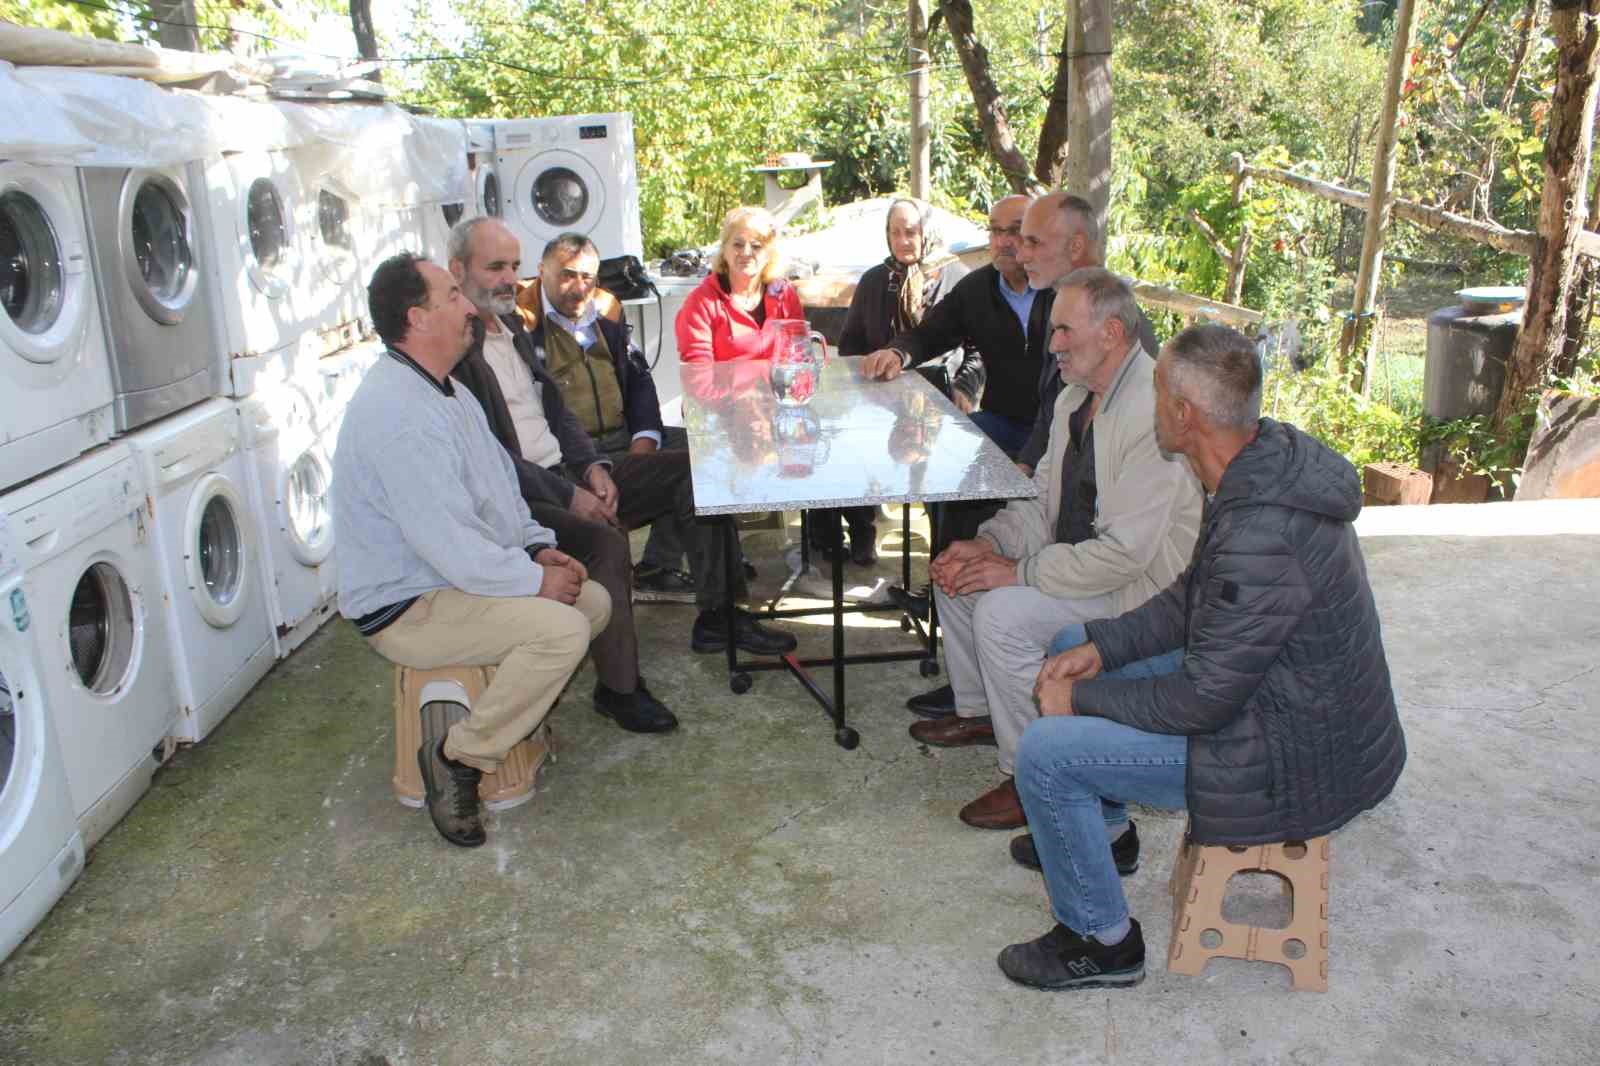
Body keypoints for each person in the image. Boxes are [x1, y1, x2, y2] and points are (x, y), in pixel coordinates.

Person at [996, 323, 1407, 992]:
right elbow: (1194, 597)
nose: (1151, 402)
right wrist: (1103, 648)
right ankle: (1103, 836)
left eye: (1157, 390)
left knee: (1047, 751)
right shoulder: (1257, 461)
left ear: (1183, 415)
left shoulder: (1261, 529)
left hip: (1290, 757)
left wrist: (1083, 699)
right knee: (1074, 645)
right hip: (1283, 707)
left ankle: (1101, 941)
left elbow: (1203, 701)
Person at [447, 221, 796, 706]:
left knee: (701, 471)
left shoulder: (511, 327)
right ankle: (619, 688)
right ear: (457, 271)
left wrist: (593, 469)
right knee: (606, 542)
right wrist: (572, 493)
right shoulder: (460, 346)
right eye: (495, 267)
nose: (509, 278)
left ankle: (719, 615)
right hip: (525, 494)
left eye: (512, 266)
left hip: (577, 465)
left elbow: (559, 410)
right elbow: (490, 456)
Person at [906, 268, 1201, 831]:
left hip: (1141, 593)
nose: (1053, 343)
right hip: (1083, 567)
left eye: (1065, 330)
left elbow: (1124, 557)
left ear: (1113, 333)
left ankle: (1030, 773)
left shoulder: (1153, 411)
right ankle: (985, 713)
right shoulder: (1075, 399)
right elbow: (1039, 503)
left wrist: (1016, 572)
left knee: (1002, 612)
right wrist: (986, 543)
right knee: (959, 572)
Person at [333, 253, 612, 848]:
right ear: (417, 318)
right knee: (561, 629)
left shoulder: (447, 391)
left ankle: (511, 727)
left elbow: (499, 493)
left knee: (591, 603)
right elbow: (452, 544)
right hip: (407, 604)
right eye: (453, 296)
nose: (469, 307)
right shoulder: (397, 414)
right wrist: (533, 583)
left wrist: (538, 551)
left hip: (447, 580)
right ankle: (457, 758)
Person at [819, 198, 973, 566]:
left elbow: (974, 348)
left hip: (940, 398)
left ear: (927, 233)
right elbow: (853, 342)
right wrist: (862, 388)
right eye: (895, 232)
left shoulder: (956, 278)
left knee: (941, 474)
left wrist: (964, 388)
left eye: (912, 231)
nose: (904, 240)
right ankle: (857, 531)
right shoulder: (876, 280)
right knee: (839, 446)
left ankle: (942, 558)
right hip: (881, 396)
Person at [859, 195, 1041, 457]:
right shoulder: (977, 288)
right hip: (1000, 422)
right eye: (995, 230)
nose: (1002, 241)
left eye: (1015, 230)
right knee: (943, 465)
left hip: (1059, 433)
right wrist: (897, 354)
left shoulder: (1063, 290)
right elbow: (931, 333)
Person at [1015, 192, 1159, 474]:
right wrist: (1025, 466)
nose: (1021, 255)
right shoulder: (1053, 307)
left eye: (1033, 242)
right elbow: (1050, 412)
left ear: (1076, 246)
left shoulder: (1129, 330)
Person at [675, 206, 803, 363]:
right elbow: (699, 374)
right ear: (724, 250)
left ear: (770, 254)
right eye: (738, 244)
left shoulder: (785, 295)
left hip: (780, 387)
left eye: (756, 246)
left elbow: (800, 357)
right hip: (724, 388)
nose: (746, 252)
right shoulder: (701, 303)